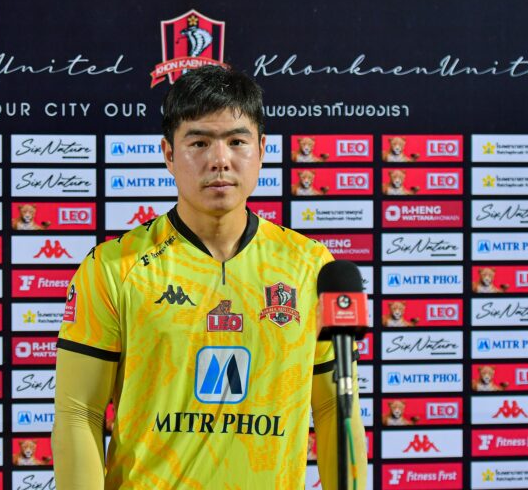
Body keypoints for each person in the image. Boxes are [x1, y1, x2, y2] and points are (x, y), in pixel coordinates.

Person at [52, 65, 367, 489]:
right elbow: (79, 412)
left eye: (237, 141)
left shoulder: (311, 266)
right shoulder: (113, 268)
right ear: (168, 153)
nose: (220, 160)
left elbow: (334, 410)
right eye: (199, 142)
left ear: (262, 149)